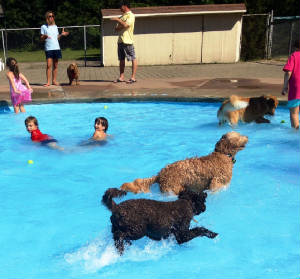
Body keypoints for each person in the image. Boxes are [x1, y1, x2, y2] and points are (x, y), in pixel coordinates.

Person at [111, 1, 137, 84]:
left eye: (120, 6)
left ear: (125, 6)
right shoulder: (122, 16)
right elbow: (116, 29)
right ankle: (121, 77)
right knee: (121, 59)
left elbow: (126, 25)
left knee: (133, 58)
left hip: (128, 41)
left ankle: (133, 77)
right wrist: (121, 22)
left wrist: (118, 20)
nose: (119, 8)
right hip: (120, 41)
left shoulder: (131, 15)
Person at [40, 11, 69, 87]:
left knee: (55, 66)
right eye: (50, 16)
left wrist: (61, 35)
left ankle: (54, 81)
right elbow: (41, 38)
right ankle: (48, 82)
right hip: (48, 48)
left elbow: (57, 38)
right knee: (49, 65)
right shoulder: (43, 27)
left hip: (56, 47)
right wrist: (44, 36)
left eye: (52, 16)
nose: (51, 17)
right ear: (47, 17)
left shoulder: (55, 26)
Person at [282, 40, 300, 129]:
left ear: (296, 47)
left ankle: (295, 134)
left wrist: (285, 86)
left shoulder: (294, 56)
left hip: (296, 89)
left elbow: (288, 72)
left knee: (294, 113)